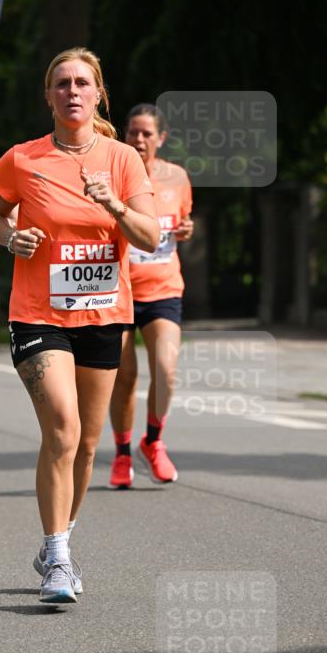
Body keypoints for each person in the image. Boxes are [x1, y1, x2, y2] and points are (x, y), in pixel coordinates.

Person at [0, 48, 159, 603]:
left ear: (99, 93)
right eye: (62, 83)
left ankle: (60, 538)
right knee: (62, 425)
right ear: (49, 95)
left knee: (85, 445)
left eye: (83, 83)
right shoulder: (22, 159)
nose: (73, 91)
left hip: (104, 314)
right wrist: (11, 237)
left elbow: (150, 237)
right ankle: (58, 557)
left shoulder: (125, 159)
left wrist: (116, 207)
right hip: (38, 313)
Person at [108, 104, 193, 488]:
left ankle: (153, 442)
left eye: (146, 134)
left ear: (161, 138)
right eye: (132, 133)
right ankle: (123, 454)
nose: (139, 140)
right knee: (123, 377)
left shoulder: (177, 177)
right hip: (118, 289)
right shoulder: (114, 173)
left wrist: (186, 230)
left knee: (166, 368)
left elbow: (179, 222)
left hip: (163, 288)